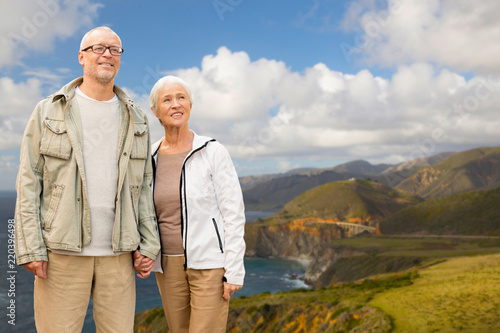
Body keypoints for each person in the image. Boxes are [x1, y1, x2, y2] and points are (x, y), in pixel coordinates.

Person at [14, 26, 161, 332]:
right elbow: (29, 181)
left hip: (119, 256)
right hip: (61, 255)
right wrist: (31, 248)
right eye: (99, 48)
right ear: (81, 57)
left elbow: (144, 186)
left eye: (115, 49)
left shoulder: (138, 119)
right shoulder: (47, 111)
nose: (107, 54)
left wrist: (149, 243)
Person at [149, 75, 246, 333]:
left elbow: (233, 213)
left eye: (181, 97)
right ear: (156, 111)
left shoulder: (212, 151)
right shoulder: (148, 156)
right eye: (167, 100)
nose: (176, 104)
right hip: (167, 265)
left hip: (209, 264)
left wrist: (234, 270)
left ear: (190, 105)